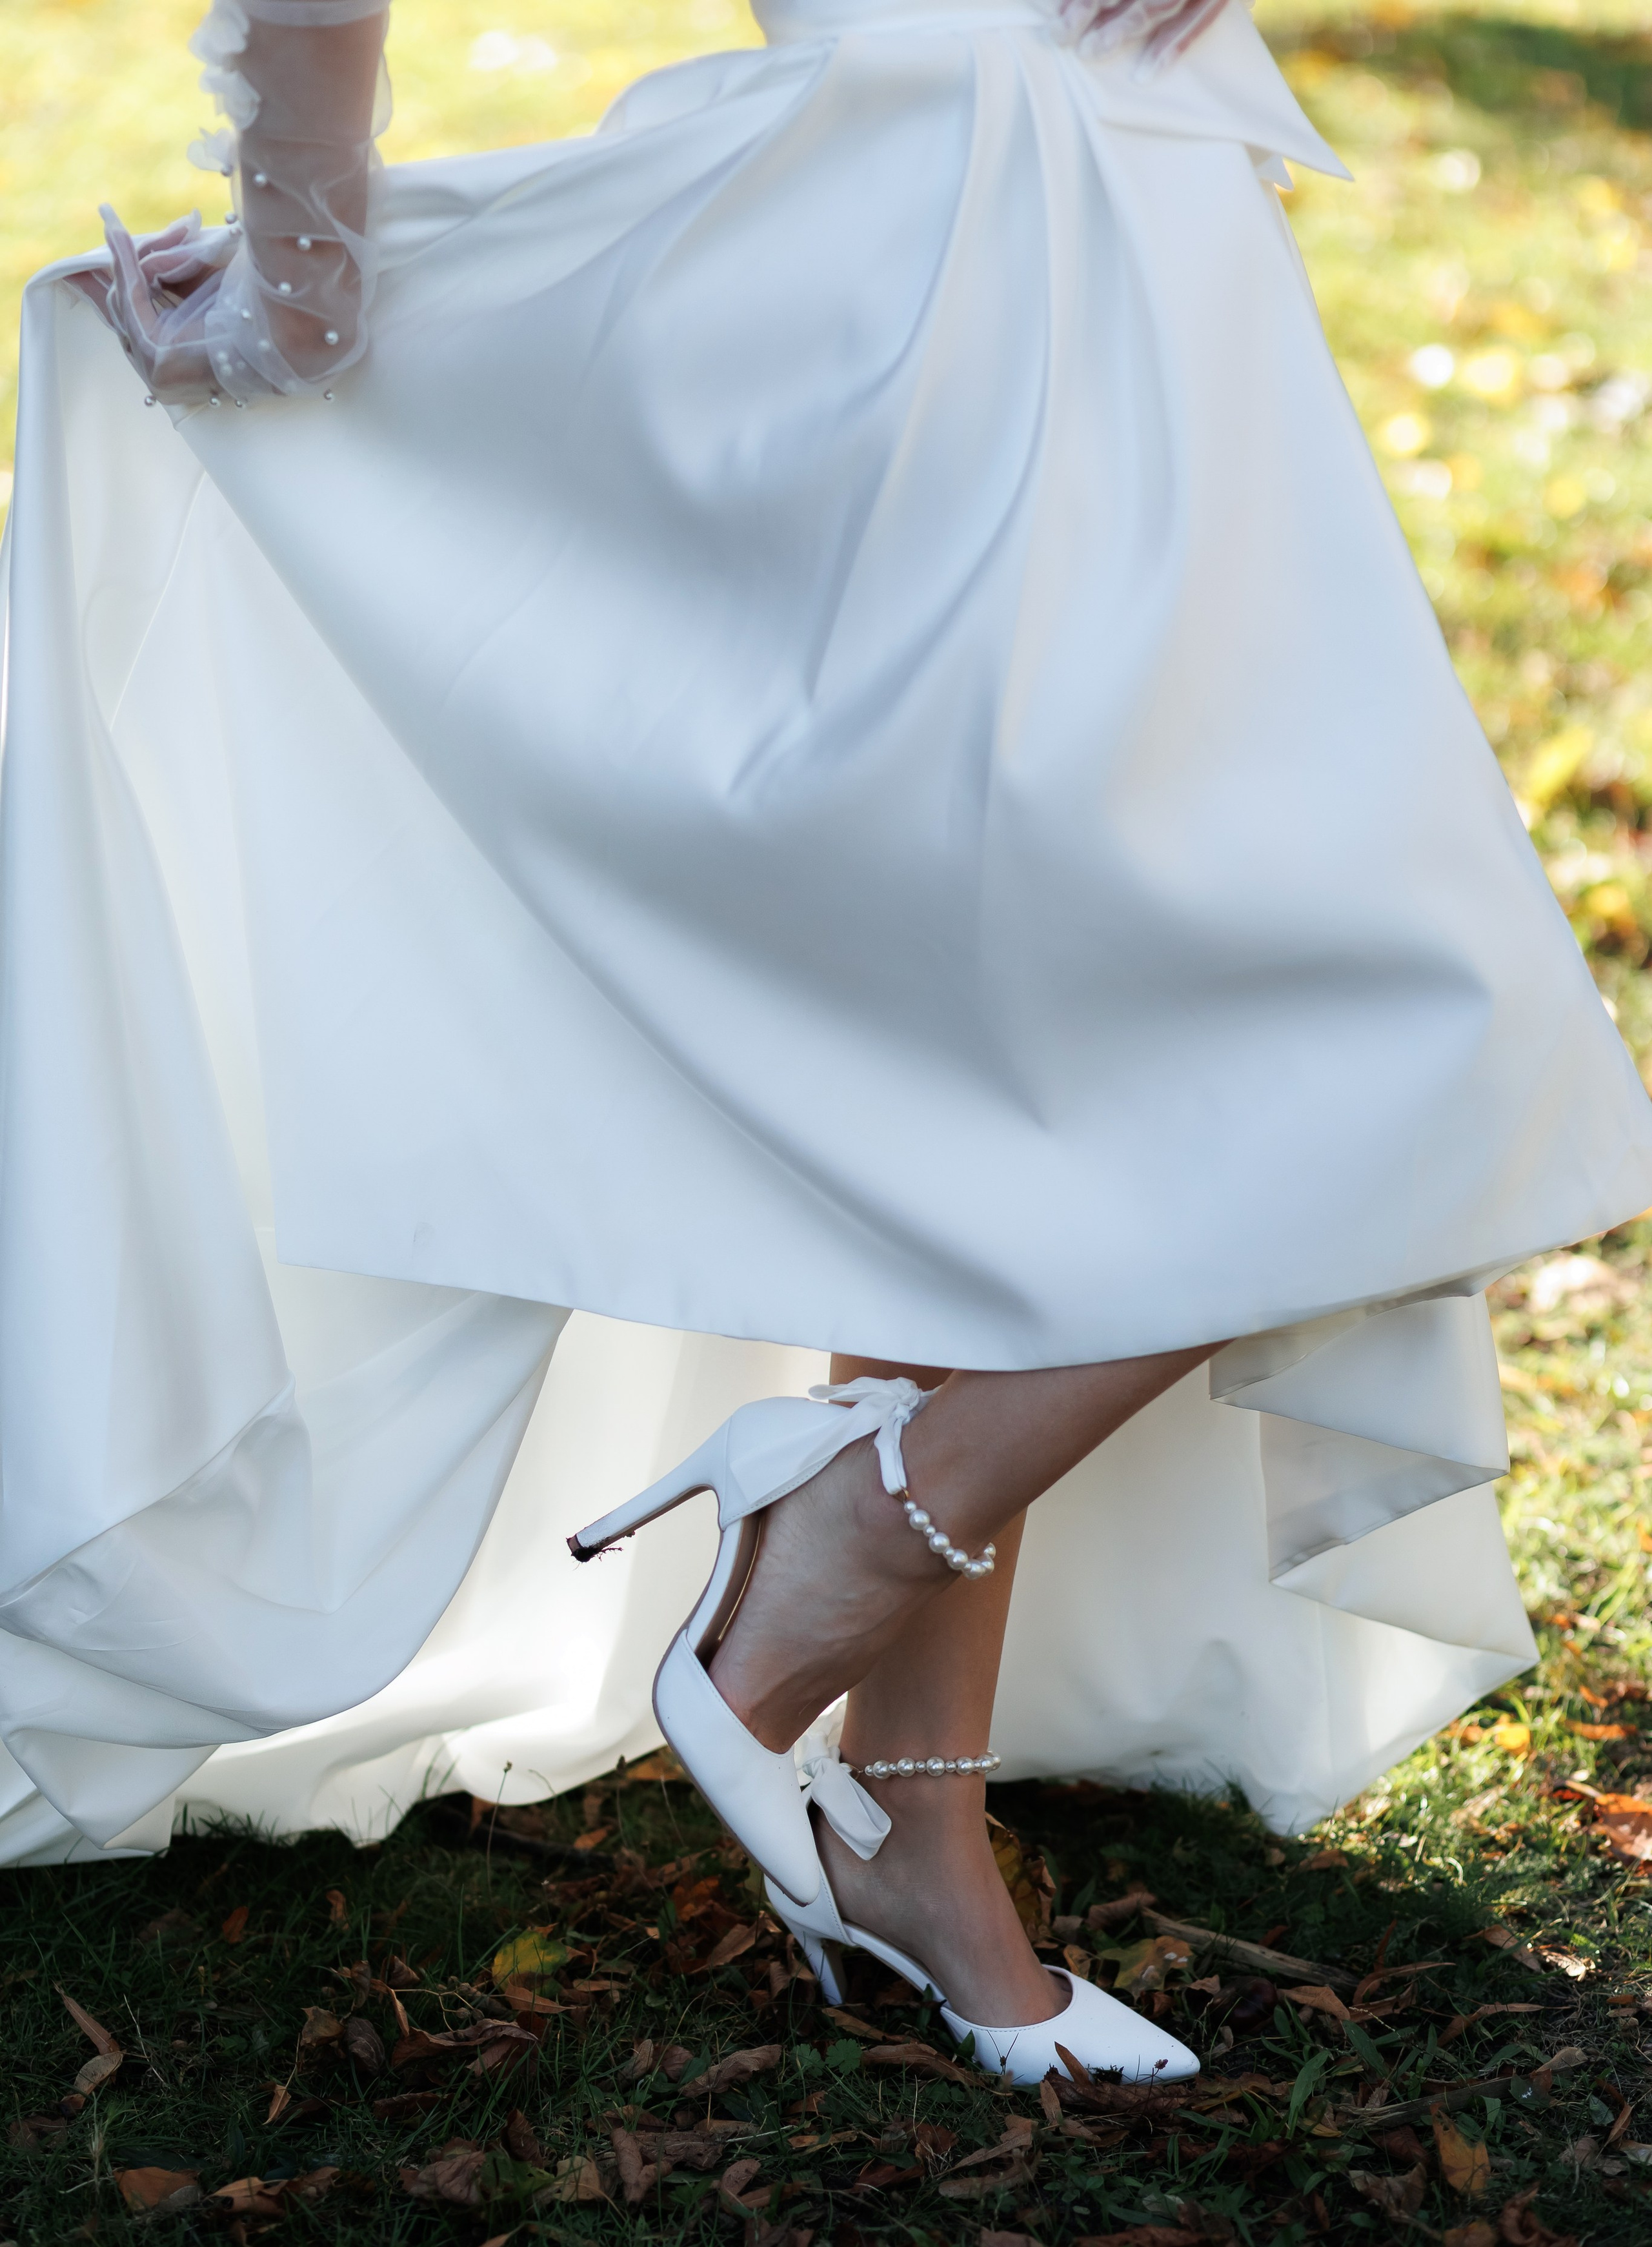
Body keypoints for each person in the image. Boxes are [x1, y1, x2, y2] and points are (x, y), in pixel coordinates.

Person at [3, 0, 1648, 2066]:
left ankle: (902, 1796)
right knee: (1419, 1053)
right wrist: (299, 294)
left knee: (990, 1082)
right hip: (915, 257)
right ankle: (854, 1568)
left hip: (1149, 244)